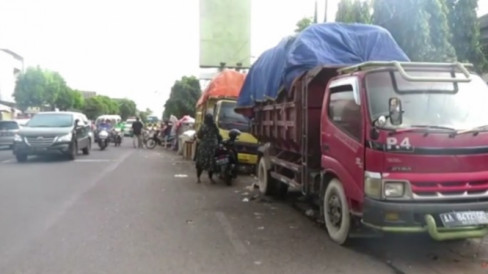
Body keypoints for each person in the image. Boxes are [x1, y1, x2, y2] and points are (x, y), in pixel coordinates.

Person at [195, 113, 222, 184]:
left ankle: (198, 178)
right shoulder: (214, 126)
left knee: (201, 162)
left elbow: (199, 135)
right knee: (211, 163)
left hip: (203, 147)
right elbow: (218, 135)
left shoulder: (203, 126)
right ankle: (210, 178)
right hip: (212, 147)